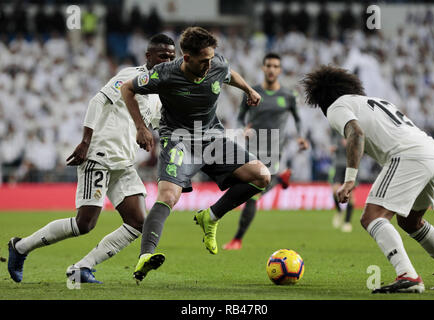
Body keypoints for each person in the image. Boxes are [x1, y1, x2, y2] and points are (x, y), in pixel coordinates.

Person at [7, 34, 176, 284]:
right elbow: (98, 100)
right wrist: (86, 141)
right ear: (148, 56)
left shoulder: (159, 93)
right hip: (100, 154)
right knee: (84, 223)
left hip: (124, 162)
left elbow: (160, 124)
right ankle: (20, 247)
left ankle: (82, 268)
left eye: (172, 57)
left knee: (139, 222)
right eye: (163, 55)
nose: (168, 60)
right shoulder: (130, 75)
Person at [120, 26, 270, 283]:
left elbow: (227, 73)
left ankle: (210, 217)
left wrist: (248, 90)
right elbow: (126, 89)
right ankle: (145, 256)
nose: (209, 65)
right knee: (168, 195)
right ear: (186, 58)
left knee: (261, 176)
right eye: (203, 61)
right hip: (178, 140)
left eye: (211, 59)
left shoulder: (215, 64)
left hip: (212, 137)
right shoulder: (163, 74)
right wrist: (140, 127)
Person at [302, 65, 434, 293]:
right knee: (411, 222)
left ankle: (408, 276)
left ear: (320, 98)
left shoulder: (336, 107)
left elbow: (356, 133)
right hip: (431, 152)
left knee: (372, 216)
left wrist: (350, 179)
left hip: (409, 156)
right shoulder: (376, 102)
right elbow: (404, 136)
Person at [223, 53, 309, 250]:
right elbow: (240, 117)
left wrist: (301, 136)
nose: (271, 69)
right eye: (268, 65)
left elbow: (298, 119)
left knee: (254, 194)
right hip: (252, 147)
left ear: (279, 70)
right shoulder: (253, 92)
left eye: (275, 66)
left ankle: (237, 239)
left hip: (274, 150)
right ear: (263, 68)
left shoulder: (288, 96)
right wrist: (242, 129)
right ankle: (280, 178)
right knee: (246, 185)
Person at [329, 130, 354, 232]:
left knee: (351, 195)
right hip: (338, 165)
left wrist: (349, 144)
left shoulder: (354, 130)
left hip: (351, 166)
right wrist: (333, 147)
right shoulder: (336, 130)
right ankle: (339, 211)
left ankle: (347, 222)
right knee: (334, 190)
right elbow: (332, 143)